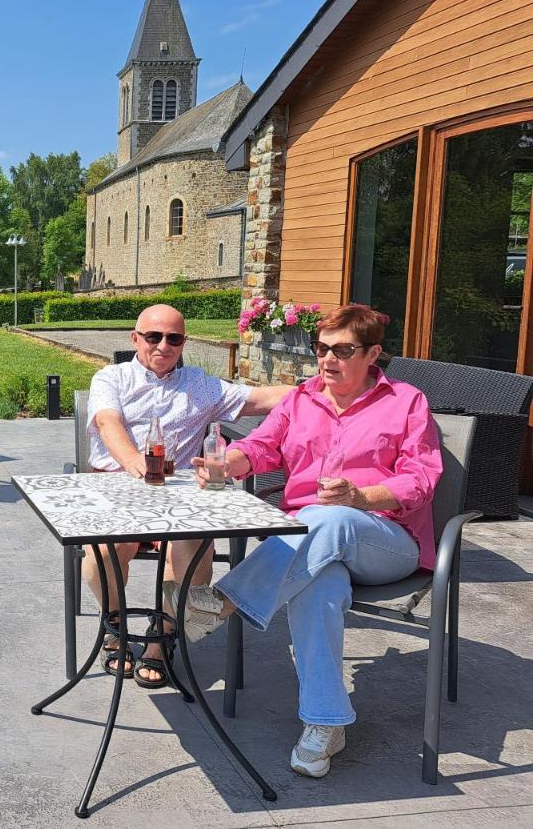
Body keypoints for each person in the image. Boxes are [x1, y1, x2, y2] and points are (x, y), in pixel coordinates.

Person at [183, 304, 442, 779]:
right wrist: (228, 463)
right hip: (312, 546)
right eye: (321, 348)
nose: (327, 359)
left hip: (386, 541)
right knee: (317, 589)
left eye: (342, 350)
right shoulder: (303, 398)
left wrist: (362, 497)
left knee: (333, 518)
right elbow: (262, 446)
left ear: (373, 354)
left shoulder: (406, 402)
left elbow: (422, 479)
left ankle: (227, 602)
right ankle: (325, 723)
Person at [85, 304, 290, 686]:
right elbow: (106, 421)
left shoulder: (200, 384)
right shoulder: (111, 378)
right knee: (102, 555)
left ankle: (162, 638)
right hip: (118, 488)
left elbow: (260, 399)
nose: (163, 345)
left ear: (183, 343)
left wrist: (327, 387)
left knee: (191, 549)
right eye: (153, 336)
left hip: (179, 494)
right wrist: (134, 461)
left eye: (173, 338)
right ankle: (115, 628)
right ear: (135, 339)